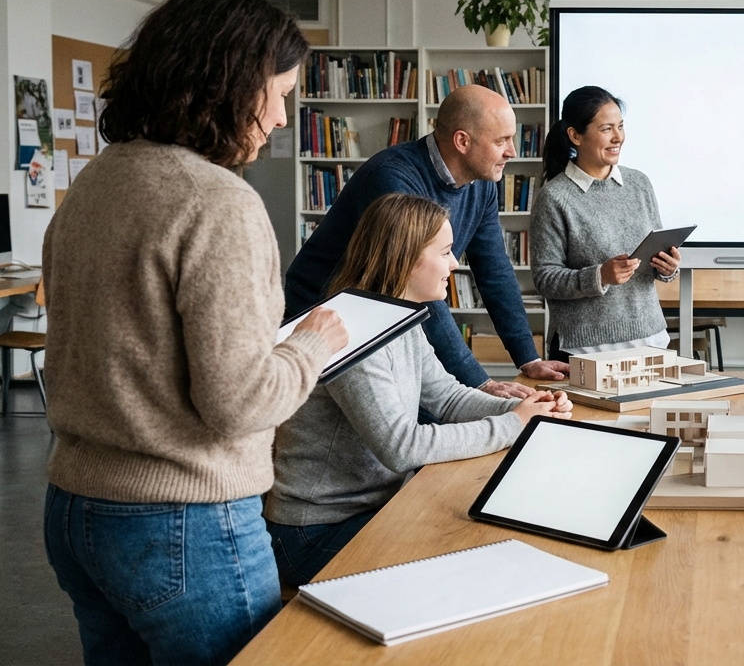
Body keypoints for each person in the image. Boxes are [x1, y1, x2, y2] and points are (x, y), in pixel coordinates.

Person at [42, 0, 350, 665]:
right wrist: (309, 347)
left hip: (75, 507)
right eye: (278, 94)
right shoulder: (218, 203)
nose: (281, 118)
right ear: (229, 83)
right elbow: (238, 403)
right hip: (183, 519)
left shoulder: (95, 182)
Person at [266, 194, 572, 586]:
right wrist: (513, 425)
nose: (455, 263)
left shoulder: (397, 317)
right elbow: (401, 446)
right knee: (470, 553)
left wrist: (528, 408)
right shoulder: (352, 330)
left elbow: (447, 397)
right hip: (312, 535)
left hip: (374, 510)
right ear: (407, 257)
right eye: (445, 252)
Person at [284, 85, 569, 399]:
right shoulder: (391, 178)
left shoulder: (481, 184)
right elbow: (416, 286)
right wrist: (479, 383)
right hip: (323, 320)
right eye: (501, 141)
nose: (512, 151)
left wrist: (528, 358)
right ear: (462, 141)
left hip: (382, 315)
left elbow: (494, 270)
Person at [529, 86, 681, 357]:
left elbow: (656, 255)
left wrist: (667, 268)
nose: (618, 137)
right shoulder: (554, 197)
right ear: (575, 135)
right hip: (584, 348)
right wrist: (600, 276)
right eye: (606, 129)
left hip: (650, 339)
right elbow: (545, 278)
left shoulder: (639, 184)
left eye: (620, 126)